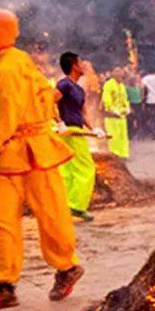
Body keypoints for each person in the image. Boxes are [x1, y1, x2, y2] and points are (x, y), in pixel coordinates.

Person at [0, 8, 83, 311]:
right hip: (27, 148)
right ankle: (7, 283)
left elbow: (4, 113)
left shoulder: (7, 68)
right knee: (24, 214)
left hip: (22, 148)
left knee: (26, 214)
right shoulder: (18, 60)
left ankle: (59, 268)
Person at [57, 50, 97, 221]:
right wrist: (59, 122)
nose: (83, 66)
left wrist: (94, 129)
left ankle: (64, 205)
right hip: (69, 131)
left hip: (77, 129)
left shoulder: (78, 89)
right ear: (74, 66)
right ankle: (77, 206)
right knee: (86, 168)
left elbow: (83, 112)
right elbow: (49, 101)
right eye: (80, 63)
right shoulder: (64, 84)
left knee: (68, 170)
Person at [102, 66, 131, 159]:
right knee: (114, 136)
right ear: (112, 73)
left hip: (122, 115)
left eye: (120, 71)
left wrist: (127, 107)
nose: (119, 73)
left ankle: (123, 154)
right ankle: (115, 154)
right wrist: (112, 109)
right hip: (112, 116)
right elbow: (106, 99)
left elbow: (125, 99)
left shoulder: (122, 86)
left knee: (123, 135)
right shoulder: (108, 84)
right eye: (116, 71)